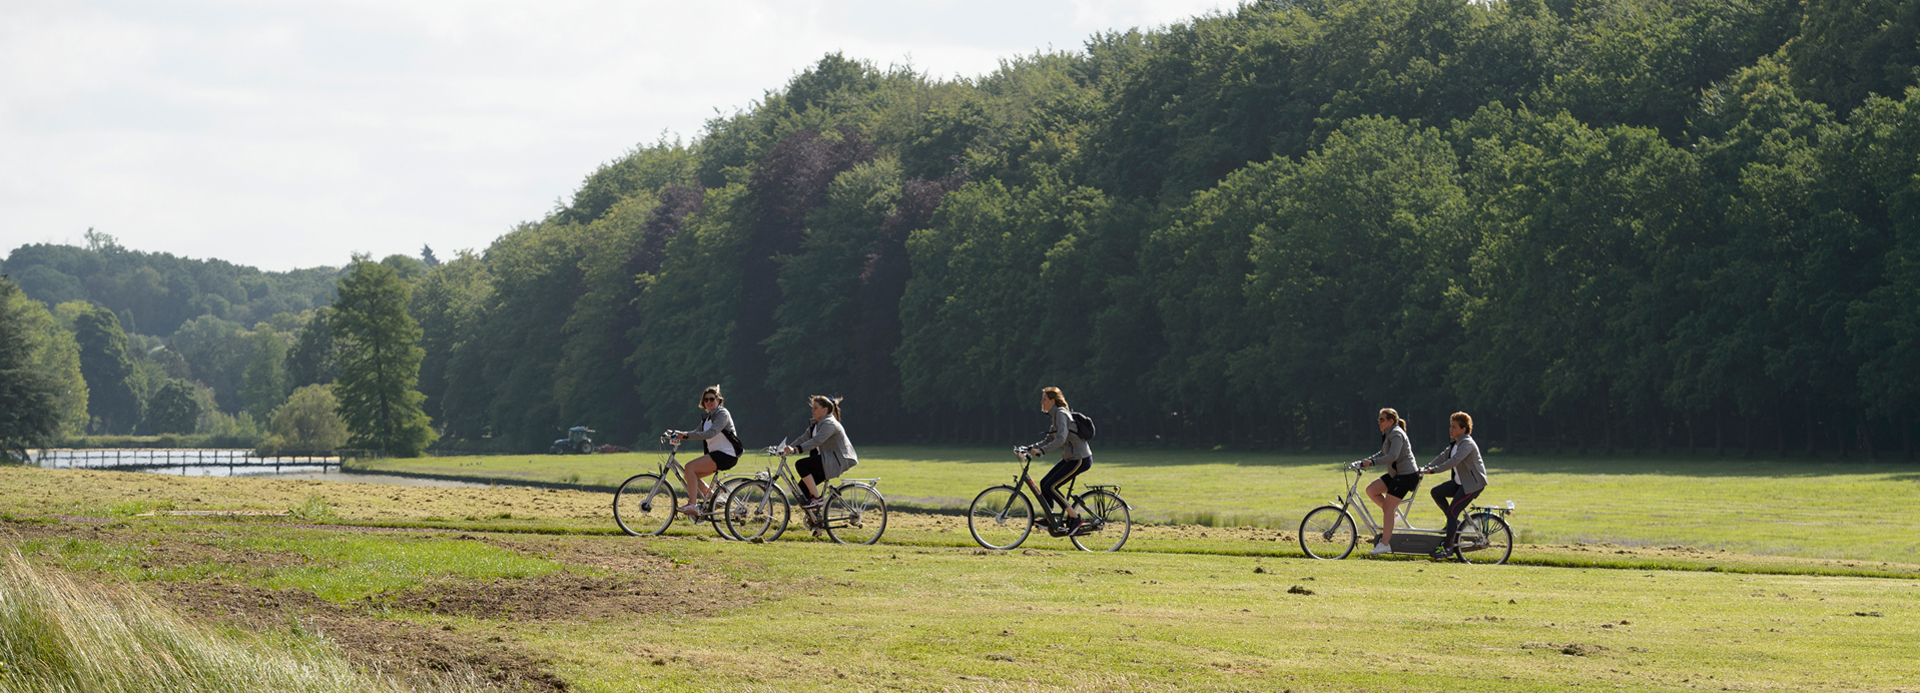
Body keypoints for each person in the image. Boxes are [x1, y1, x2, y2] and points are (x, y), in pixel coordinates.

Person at [1020, 387, 1091, 534]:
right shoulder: (1055, 415)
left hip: (1080, 458)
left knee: (1051, 486)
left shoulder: (1060, 414)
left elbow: (1061, 439)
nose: (1042, 402)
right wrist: (1030, 448)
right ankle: (1049, 518)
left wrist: (1042, 451)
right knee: (1044, 483)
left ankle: (1075, 517)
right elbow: (1050, 438)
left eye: (1044, 399)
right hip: (1070, 458)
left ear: (1052, 401)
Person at [1350, 407, 1418, 555]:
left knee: (1387, 508)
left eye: (1382, 420)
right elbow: (1383, 453)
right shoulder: (1388, 434)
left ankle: (1385, 544)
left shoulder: (1397, 434)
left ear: (1390, 421)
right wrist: (1365, 461)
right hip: (1397, 475)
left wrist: (1373, 463)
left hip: (1406, 476)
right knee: (1371, 490)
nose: (1379, 422)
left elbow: (1392, 456)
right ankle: (1392, 516)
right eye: (1378, 419)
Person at [1420, 411, 1486, 560]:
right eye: (1450, 426)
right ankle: (1453, 524)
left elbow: (1453, 461)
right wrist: (1425, 468)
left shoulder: (1467, 443)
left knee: (1452, 511)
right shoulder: (1456, 443)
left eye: (1454, 427)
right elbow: (1443, 456)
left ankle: (1447, 548)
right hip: (1460, 482)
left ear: (1463, 429)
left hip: (1472, 485)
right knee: (1436, 492)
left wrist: (1434, 471)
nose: (1450, 429)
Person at [676, 385, 742, 516]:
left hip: (726, 454)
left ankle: (692, 505)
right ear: (703, 402)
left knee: (689, 467)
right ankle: (716, 501)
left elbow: (710, 433)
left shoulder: (722, 414)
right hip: (716, 455)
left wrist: (686, 435)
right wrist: (676, 433)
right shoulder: (707, 418)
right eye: (706, 400)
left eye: (712, 399)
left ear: (718, 400)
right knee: (690, 475)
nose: (709, 402)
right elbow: (695, 432)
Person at [781, 395, 857, 510]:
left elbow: (816, 441)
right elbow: (803, 439)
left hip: (836, 461)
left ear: (825, 410)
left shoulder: (829, 424)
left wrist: (796, 450)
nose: (812, 410)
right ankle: (817, 520)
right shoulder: (815, 424)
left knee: (801, 464)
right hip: (826, 460)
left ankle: (817, 499)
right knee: (802, 489)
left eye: (815, 408)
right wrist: (786, 448)